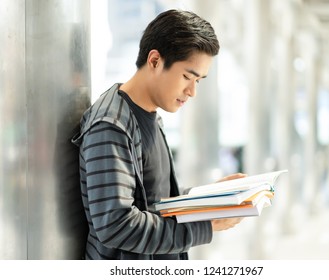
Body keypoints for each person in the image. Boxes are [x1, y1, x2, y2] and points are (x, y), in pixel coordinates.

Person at [72, 9, 244, 260]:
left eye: (199, 81)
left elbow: (155, 201)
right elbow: (116, 226)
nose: (192, 91)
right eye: (187, 76)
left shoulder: (151, 115)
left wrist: (210, 197)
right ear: (154, 61)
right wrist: (204, 226)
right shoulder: (110, 125)